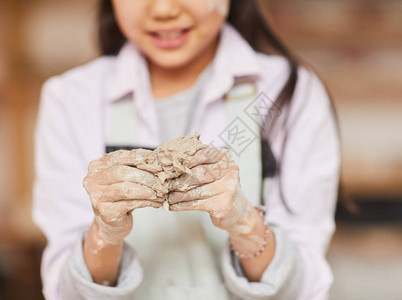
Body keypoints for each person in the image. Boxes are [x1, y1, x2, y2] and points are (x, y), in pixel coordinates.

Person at [32, 0, 342, 299]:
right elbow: (63, 289)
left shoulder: (285, 94)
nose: (164, 9)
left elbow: (306, 288)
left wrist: (244, 222)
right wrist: (105, 235)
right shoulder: (71, 99)